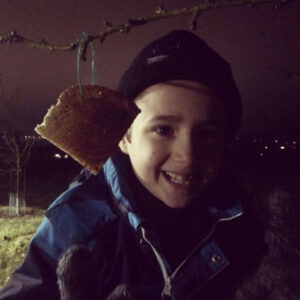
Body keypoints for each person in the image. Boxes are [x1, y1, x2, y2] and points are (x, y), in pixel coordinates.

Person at [0, 30, 264, 299]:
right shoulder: (75, 224)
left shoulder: (248, 227)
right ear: (125, 136)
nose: (188, 156)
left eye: (207, 134)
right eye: (163, 130)